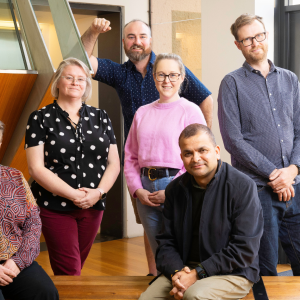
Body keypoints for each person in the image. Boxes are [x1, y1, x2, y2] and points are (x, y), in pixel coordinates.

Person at [81, 17, 213, 275]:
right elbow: (81, 64)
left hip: (178, 174)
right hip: (143, 173)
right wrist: (93, 31)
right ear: (123, 42)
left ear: (151, 40)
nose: (137, 41)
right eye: (131, 37)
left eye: (142, 36)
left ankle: (179, 277)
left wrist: (202, 141)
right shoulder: (120, 74)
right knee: (151, 230)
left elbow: (205, 98)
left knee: (183, 236)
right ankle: (156, 275)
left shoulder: (171, 68)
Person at [139, 124, 263, 300]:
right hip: (185, 269)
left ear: (217, 151)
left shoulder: (242, 186)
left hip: (233, 272)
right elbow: (166, 242)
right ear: (181, 157)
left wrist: (198, 274)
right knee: (147, 299)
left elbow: (244, 249)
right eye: (188, 153)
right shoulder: (175, 189)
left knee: (194, 295)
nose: (196, 158)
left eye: (202, 150)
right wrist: (177, 273)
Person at [218, 13, 300, 276]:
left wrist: (292, 171)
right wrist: (275, 174)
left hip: (295, 186)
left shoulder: (290, 79)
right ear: (238, 45)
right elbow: (233, 140)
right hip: (257, 190)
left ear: (266, 35)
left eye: (259, 36)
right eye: (247, 39)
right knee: (265, 265)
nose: (255, 43)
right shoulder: (231, 83)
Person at [25, 58, 120, 275]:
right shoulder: (39, 118)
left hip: (93, 205)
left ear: (87, 84)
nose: (75, 82)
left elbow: (114, 163)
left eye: (81, 79)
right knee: (69, 270)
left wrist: (98, 192)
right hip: (54, 206)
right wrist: (74, 195)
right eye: (69, 77)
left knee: (75, 267)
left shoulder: (101, 117)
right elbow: (36, 169)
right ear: (58, 82)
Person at [124, 53, 206, 275]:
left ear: (182, 78)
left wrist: (171, 189)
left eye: (172, 75)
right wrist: (136, 189)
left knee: (183, 249)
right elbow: (130, 156)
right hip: (145, 191)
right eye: (161, 74)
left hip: (179, 186)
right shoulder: (142, 112)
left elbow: (199, 157)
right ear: (153, 77)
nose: (166, 80)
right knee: (160, 251)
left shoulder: (191, 111)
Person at [0, 121, 59, 300]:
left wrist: (18, 262)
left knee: (44, 292)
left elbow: (33, 223)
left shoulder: (14, 177)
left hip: (13, 258)